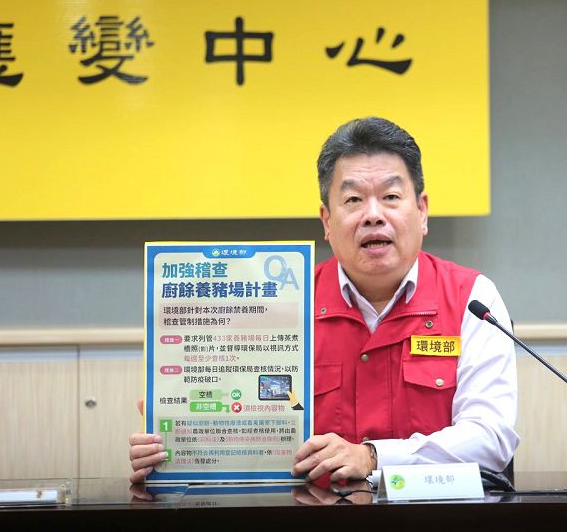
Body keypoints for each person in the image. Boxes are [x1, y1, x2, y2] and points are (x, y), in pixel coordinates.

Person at [129, 116, 520, 483]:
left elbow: (491, 437)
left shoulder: (472, 298)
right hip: (315, 515)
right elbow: (243, 431)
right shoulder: (285, 304)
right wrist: (181, 446)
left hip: (438, 517)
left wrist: (373, 456)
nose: (373, 215)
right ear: (327, 221)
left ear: (422, 211)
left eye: (391, 196)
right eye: (353, 201)